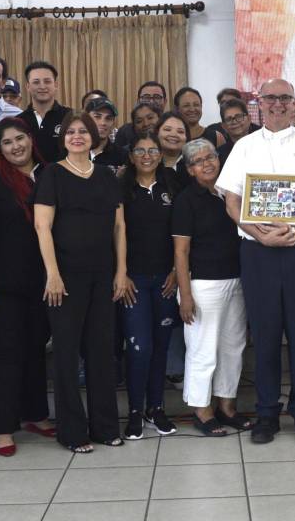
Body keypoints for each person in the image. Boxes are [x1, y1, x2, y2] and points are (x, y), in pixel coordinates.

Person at [217, 78, 295, 445]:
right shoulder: (244, 147)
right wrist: (259, 234)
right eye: (271, 98)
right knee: (266, 336)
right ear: (259, 102)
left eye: (285, 98)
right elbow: (231, 202)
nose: (278, 104)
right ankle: (267, 413)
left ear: (294, 103)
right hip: (258, 252)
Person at [34, 113, 128, 452]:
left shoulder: (106, 175)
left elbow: (119, 228)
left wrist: (121, 271)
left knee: (102, 352)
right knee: (66, 354)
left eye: (83, 132)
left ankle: (105, 427)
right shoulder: (52, 174)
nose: (77, 136)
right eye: (71, 132)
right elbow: (42, 227)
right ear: (63, 139)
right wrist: (53, 274)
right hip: (66, 277)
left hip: (103, 275)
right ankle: (72, 432)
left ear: (94, 137)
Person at [0, 118, 54, 456]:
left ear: (31, 139)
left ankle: (35, 414)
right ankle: (3, 428)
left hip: (47, 281)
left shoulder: (52, 174)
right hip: (4, 283)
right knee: (8, 354)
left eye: (20, 138)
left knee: (37, 350)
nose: (15, 146)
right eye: (7, 142)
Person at [173, 139, 251, 435]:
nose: (207, 163)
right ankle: (202, 411)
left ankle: (227, 407)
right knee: (203, 350)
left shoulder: (230, 193)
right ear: (190, 169)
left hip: (237, 280)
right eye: (198, 161)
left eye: (211, 157)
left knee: (233, 348)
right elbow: (180, 252)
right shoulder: (185, 200)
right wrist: (186, 296)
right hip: (202, 284)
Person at [119, 131, 181, 439]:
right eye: (140, 150)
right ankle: (134, 411)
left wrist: (176, 270)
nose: (147, 155)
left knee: (160, 348)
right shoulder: (121, 187)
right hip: (134, 281)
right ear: (131, 156)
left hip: (166, 281)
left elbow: (183, 232)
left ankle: (155, 408)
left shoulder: (171, 183)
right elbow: (112, 233)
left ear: (160, 154)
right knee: (139, 348)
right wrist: (121, 273)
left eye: (152, 150)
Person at [18, 61, 73, 164]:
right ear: (28, 86)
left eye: (47, 81)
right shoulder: (18, 121)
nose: (42, 86)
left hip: (64, 177)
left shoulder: (71, 117)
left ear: (55, 85)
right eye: (36, 82)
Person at [114, 81, 168, 150]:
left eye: (157, 97)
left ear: (165, 101)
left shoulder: (172, 129)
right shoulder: (125, 131)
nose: (151, 102)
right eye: (146, 97)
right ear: (138, 101)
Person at [86, 97, 126, 173]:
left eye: (108, 118)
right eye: (97, 117)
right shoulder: (73, 152)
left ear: (114, 123)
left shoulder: (122, 156)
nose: (103, 123)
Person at [216, 98, 257, 166]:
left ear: (249, 119)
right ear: (224, 126)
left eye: (239, 116)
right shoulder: (219, 155)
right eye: (229, 119)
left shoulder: (265, 146)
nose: (234, 121)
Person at [156, 112, 191, 187]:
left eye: (180, 131)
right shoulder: (146, 163)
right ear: (157, 133)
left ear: (186, 138)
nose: (174, 134)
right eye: (167, 129)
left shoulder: (194, 166)